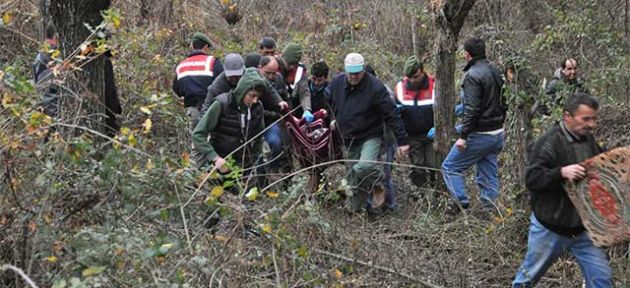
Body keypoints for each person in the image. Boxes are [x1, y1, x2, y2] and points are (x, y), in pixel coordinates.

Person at [512, 92, 612, 288]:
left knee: (602, 280)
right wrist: (560, 172)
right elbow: (532, 179)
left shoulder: (588, 139)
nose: (592, 124)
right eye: (586, 119)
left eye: (594, 119)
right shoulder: (549, 142)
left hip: (583, 230)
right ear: (568, 117)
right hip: (550, 227)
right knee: (526, 280)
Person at [325, 53, 409, 213]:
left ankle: (379, 183)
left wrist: (402, 141)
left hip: (370, 135)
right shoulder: (336, 83)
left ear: (363, 69)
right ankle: (356, 211)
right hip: (348, 137)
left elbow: (392, 114)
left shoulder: (375, 86)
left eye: (357, 72)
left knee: (364, 166)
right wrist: (331, 118)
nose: (354, 76)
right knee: (353, 179)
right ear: (345, 70)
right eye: (350, 72)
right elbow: (328, 100)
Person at [441, 37, 506, 213]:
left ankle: (460, 203)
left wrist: (463, 136)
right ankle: (490, 211)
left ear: (467, 54)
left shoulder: (472, 76)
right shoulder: (496, 71)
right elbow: (505, 102)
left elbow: (472, 109)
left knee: (450, 167)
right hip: (498, 134)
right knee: (488, 172)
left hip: (481, 134)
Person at [192, 68, 267, 180]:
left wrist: (256, 161)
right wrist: (215, 158)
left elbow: (259, 137)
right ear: (242, 91)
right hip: (220, 166)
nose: (255, 100)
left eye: (258, 97)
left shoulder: (258, 108)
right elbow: (198, 134)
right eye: (252, 95)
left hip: (245, 167)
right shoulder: (221, 103)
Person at [395, 56, 438, 187]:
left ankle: (436, 189)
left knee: (434, 164)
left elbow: (444, 109)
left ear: (422, 71)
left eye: (416, 76)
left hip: (432, 134)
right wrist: (401, 140)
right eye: (410, 77)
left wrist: (438, 128)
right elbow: (395, 118)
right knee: (418, 165)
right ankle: (421, 194)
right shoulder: (400, 88)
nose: (413, 80)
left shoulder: (434, 85)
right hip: (412, 135)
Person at [173, 32, 224, 131]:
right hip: (211, 110)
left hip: (191, 112)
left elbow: (177, 89)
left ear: (192, 46)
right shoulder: (212, 62)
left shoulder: (181, 65)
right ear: (205, 47)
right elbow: (223, 84)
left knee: (194, 142)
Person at [280, 43, 313, 122]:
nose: (291, 67)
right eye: (289, 64)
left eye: (293, 64)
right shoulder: (274, 69)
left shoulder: (300, 71)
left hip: (296, 110)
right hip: (280, 112)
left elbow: (304, 92)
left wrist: (307, 109)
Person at [33, 24, 59, 118]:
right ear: (55, 36)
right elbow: (47, 94)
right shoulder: (47, 57)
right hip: (52, 115)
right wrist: (56, 119)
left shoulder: (45, 55)